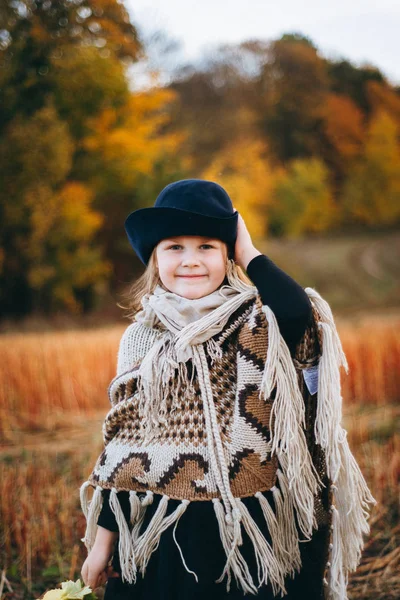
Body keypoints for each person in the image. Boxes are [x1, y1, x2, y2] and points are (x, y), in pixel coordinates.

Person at [80, 179, 376, 600]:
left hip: (246, 530)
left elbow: (300, 316)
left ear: (228, 254)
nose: (190, 261)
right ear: (154, 259)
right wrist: (104, 543)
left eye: (206, 247)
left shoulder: (257, 320)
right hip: (163, 530)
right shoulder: (140, 338)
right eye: (175, 247)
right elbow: (125, 447)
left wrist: (249, 253)